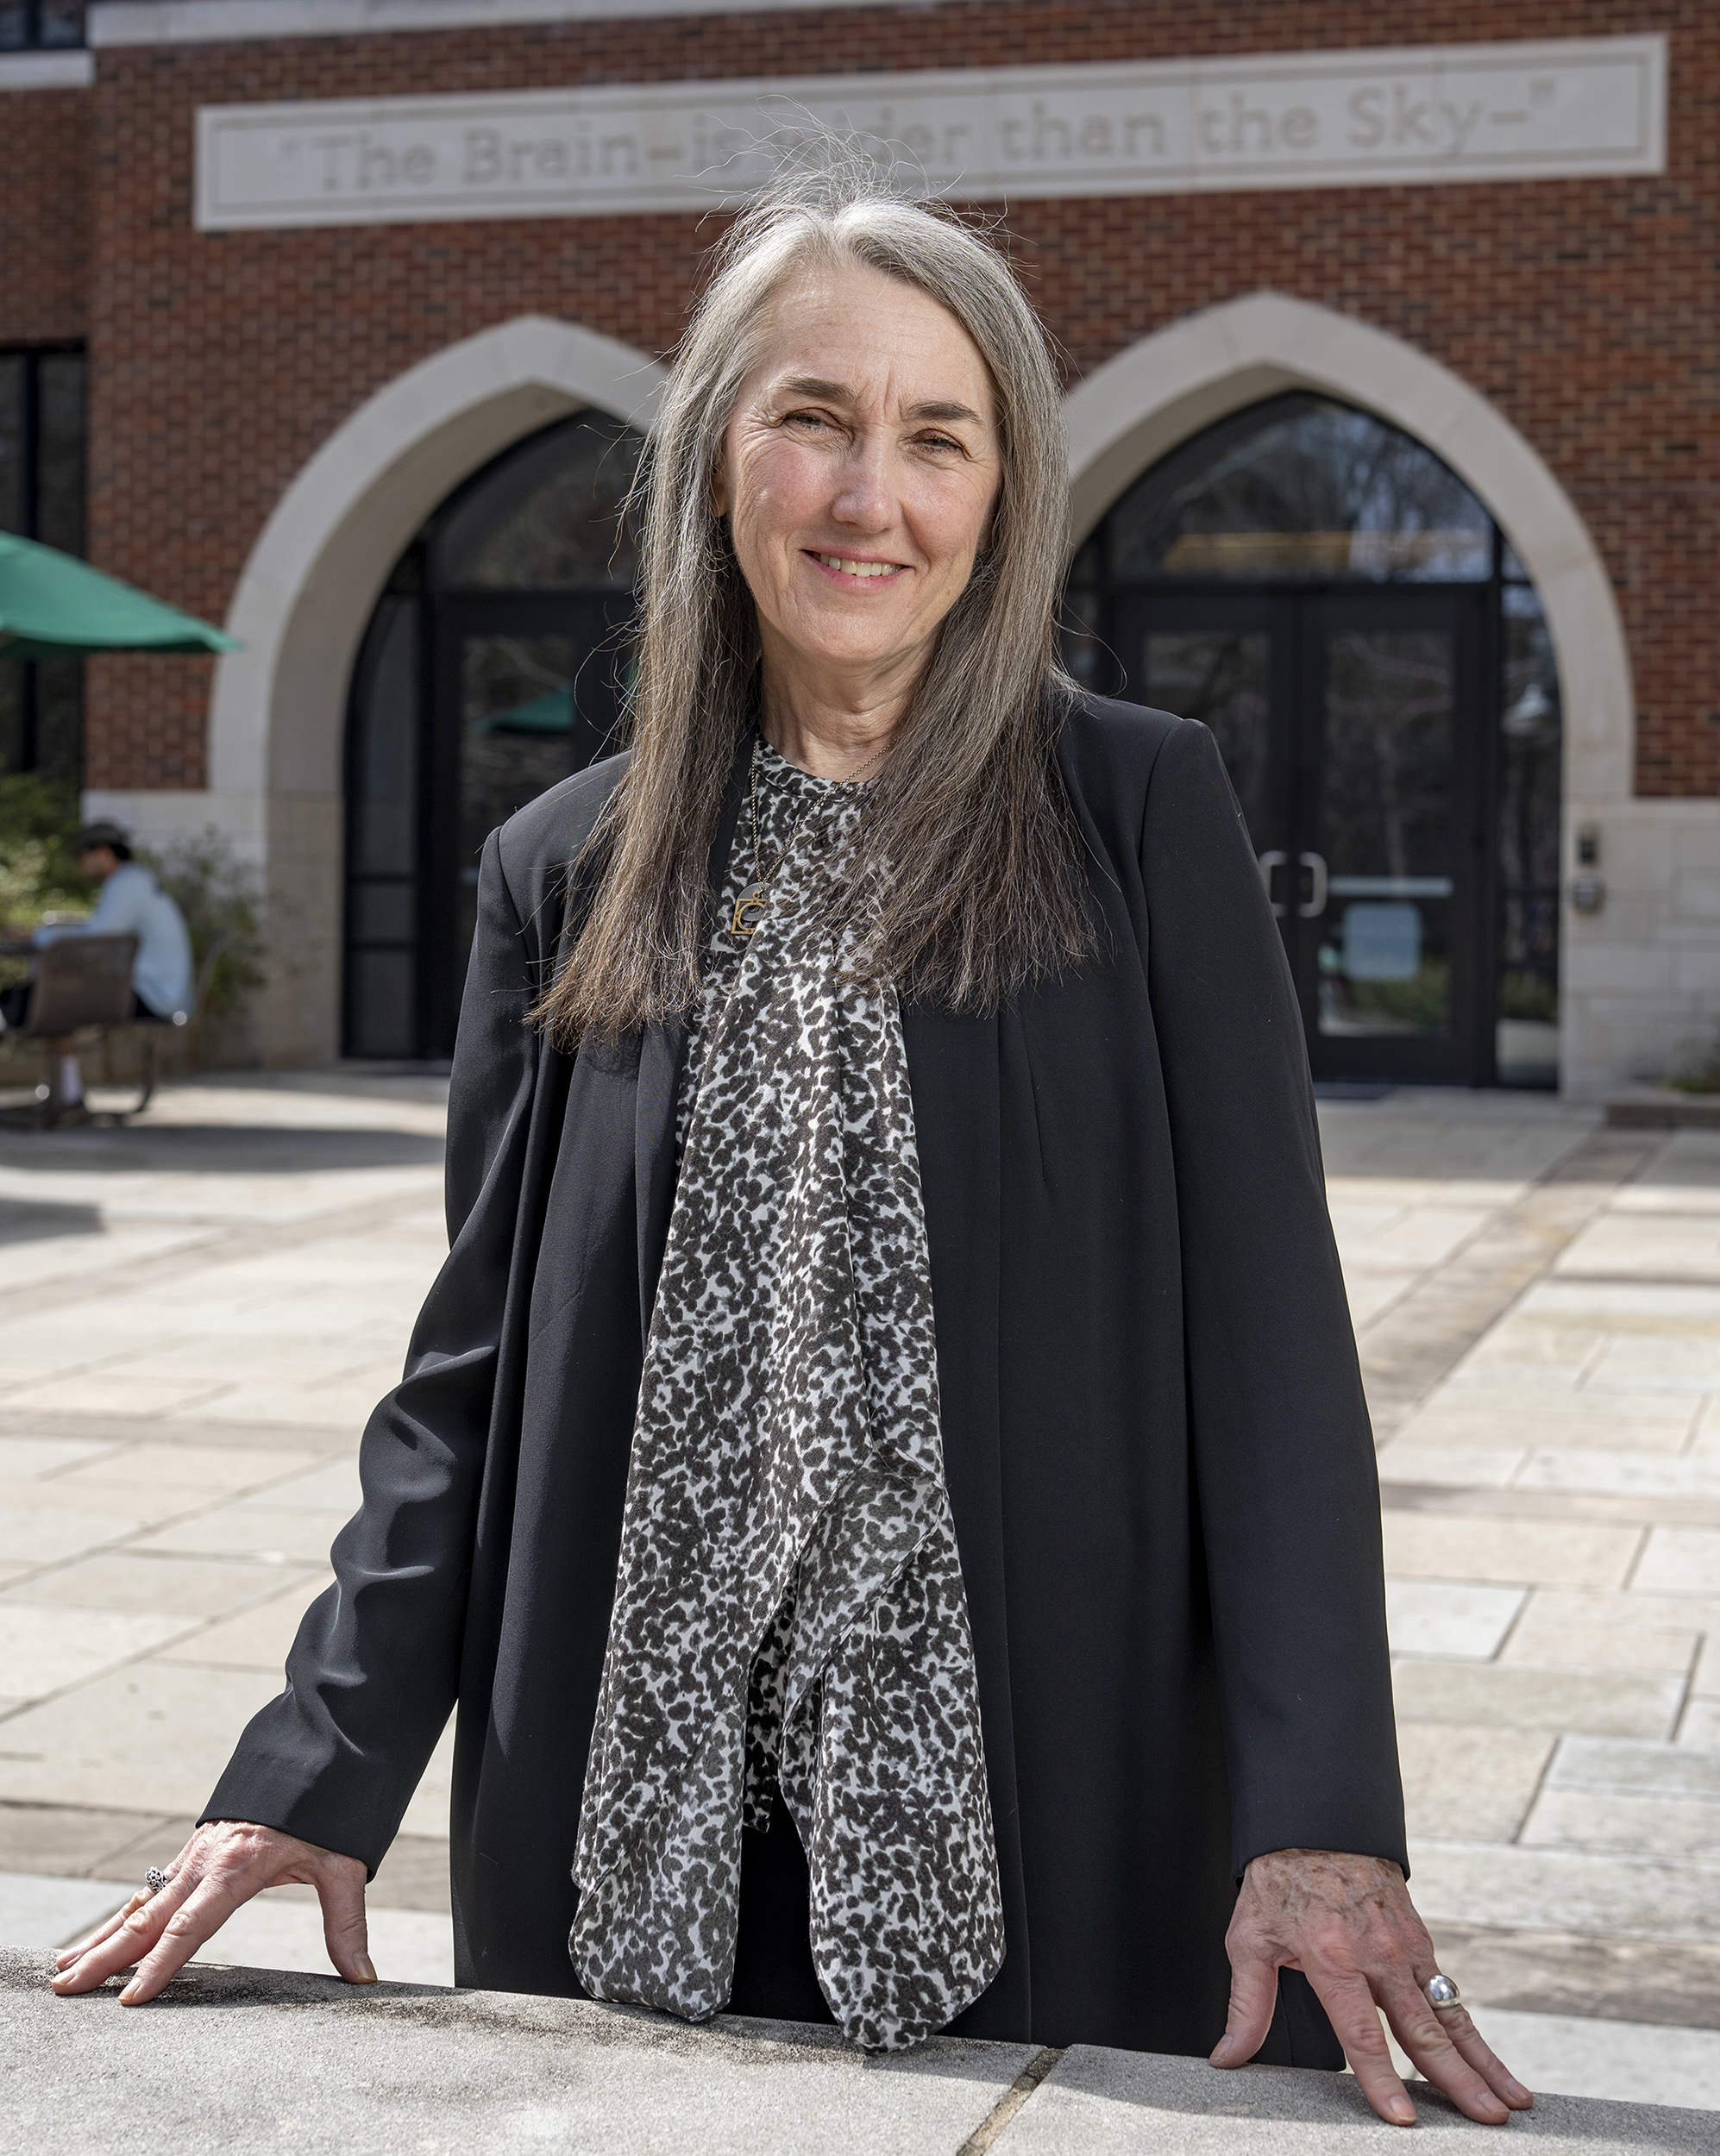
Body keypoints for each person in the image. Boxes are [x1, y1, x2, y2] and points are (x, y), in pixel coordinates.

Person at [53, 176, 1529, 2127]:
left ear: (1000, 491)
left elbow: (1270, 1365)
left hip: (1044, 1819)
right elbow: (467, 1386)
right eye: (812, 418)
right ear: (713, 461)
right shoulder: (558, 864)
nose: (868, 496)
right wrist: (307, 1778)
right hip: (622, 1844)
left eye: (935, 435)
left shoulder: (1137, 811)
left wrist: (1321, 1817)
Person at [0, 822, 192, 1112]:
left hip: (152, 995)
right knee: (54, 994)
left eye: (82, 856)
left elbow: (94, 944)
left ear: (102, 854)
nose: (80, 865)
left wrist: (40, 935)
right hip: (158, 991)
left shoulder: (126, 885)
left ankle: (64, 1088)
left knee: (47, 998)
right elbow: (100, 938)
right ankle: (67, 1090)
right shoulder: (135, 882)